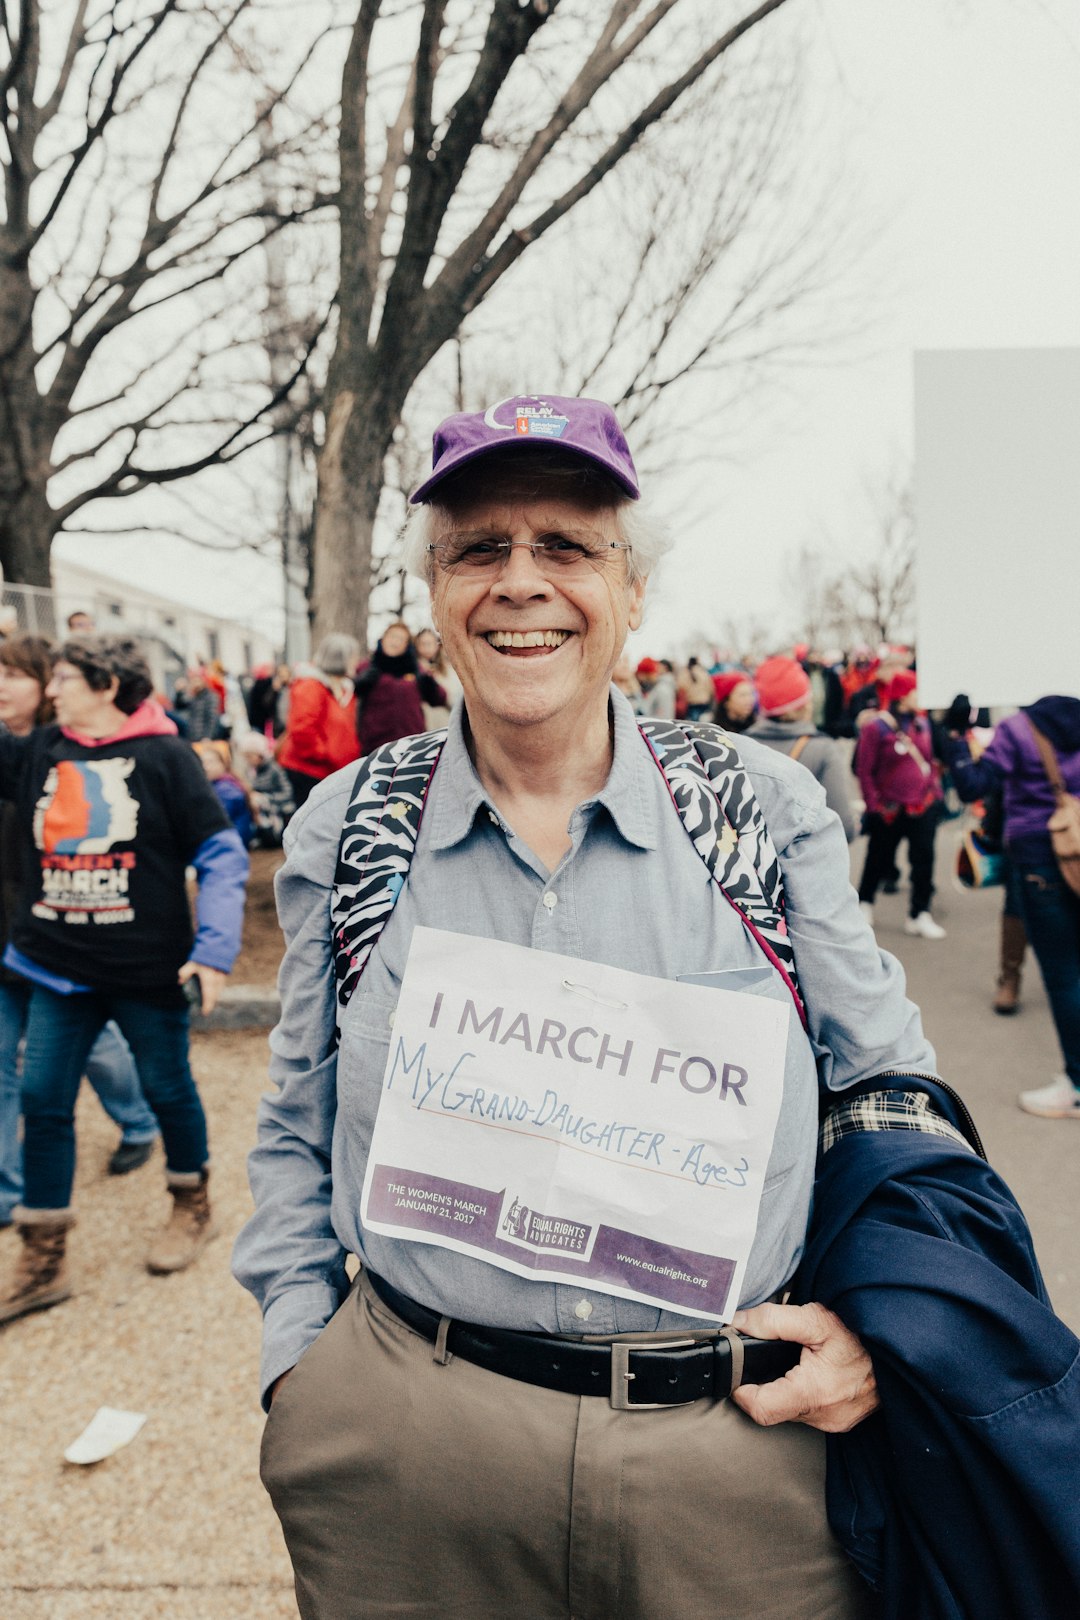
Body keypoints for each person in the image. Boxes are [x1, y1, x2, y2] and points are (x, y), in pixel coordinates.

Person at [233, 392, 1023, 1619]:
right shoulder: (356, 823)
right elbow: (298, 1111)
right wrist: (303, 1364)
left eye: (566, 546)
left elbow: (893, 1097)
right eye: (479, 549)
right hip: (412, 1454)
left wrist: (886, 1332)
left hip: (734, 1461)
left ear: (632, 591)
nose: (520, 582)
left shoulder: (756, 807)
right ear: (434, 593)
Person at [0, 635, 249, 1322]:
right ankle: (43, 1256)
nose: (52, 690)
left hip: (145, 971)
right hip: (54, 966)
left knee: (168, 1089)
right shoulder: (43, 747)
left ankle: (191, 1204)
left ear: (108, 685)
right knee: (43, 1101)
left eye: (64, 678)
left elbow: (223, 854)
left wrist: (214, 949)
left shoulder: (165, 757)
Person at [0, 635, 161, 1223]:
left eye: (13, 675)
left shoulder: (62, 755)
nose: (4, 687)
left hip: (57, 943)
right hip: (13, 937)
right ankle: (9, 1193)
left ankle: (139, 1120)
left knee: (96, 1046)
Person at [946, 694, 1080, 1118]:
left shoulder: (1019, 729)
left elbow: (972, 786)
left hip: (1040, 860)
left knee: (1064, 976)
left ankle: (1077, 1084)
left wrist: (954, 735)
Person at [855, 669, 945, 939]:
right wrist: (874, 806)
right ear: (903, 695)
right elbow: (864, 769)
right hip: (889, 809)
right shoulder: (876, 727)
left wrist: (934, 791)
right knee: (877, 858)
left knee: (924, 861)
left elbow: (929, 761)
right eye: (916, 690)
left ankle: (919, 914)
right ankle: (865, 904)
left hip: (922, 805)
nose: (921, 696)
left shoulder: (922, 723)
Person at [748, 656, 857, 842]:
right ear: (805, 704)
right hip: (803, 863)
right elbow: (843, 827)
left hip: (753, 863)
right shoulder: (824, 749)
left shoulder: (740, 744)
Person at [276, 635, 361, 809]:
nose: (356, 662)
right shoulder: (311, 686)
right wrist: (326, 754)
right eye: (353, 657)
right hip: (310, 771)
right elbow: (302, 729)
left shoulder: (343, 687)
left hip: (332, 770)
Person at [355, 622, 448, 751]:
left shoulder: (416, 670)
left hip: (410, 746)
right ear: (383, 639)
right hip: (374, 746)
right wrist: (360, 682)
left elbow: (440, 698)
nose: (395, 642)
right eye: (392, 636)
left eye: (401, 639)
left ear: (406, 645)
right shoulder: (366, 667)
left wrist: (428, 683)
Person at [194, 740, 256, 848]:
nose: (206, 767)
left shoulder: (227, 789)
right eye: (202, 762)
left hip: (232, 842)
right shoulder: (216, 784)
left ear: (223, 764)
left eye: (211, 762)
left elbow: (216, 820)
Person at [239, 732, 295, 847]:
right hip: (261, 809)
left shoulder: (274, 769)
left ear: (260, 754)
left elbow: (287, 793)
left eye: (250, 756)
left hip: (278, 809)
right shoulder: (251, 771)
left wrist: (265, 798)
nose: (247, 760)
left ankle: (272, 835)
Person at [414, 627, 462, 729]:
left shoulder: (448, 669)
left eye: (430, 644)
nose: (426, 648)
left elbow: (454, 697)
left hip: (444, 723)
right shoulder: (414, 669)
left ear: (437, 646)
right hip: (421, 726)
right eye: (423, 644)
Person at [712, 668, 756, 732]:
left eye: (751, 694)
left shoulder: (757, 728)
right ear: (726, 701)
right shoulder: (715, 731)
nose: (749, 700)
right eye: (742, 695)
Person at [679, 655, 715, 721]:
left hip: (692, 702)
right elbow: (710, 687)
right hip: (704, 701)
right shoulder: (703, 672)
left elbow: (681, 687)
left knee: (694, 725)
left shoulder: (686, 673)